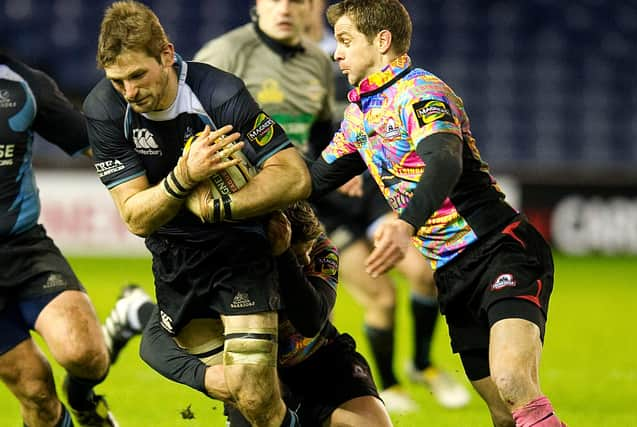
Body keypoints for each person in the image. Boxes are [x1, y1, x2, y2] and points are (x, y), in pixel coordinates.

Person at [192, 0, 469, 411]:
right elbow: (194, 126)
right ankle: (378, 385)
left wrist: (349, 162)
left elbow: (327, 131)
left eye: (299, 1)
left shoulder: (321, 64)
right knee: (369, 298)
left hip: (336, 190)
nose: (288, 8)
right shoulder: (223, 55)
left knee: (420, 274)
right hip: (293, 201)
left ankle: (417, 366)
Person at [306, 1, 566, 426]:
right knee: (503, 414)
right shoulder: (360, 115)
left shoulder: (420, 92)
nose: (337, 53)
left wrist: (404, 225)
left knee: (512, 381)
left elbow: (445, 160)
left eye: (346, 41)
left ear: (382, 41)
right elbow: (313, 181)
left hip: (500, 249)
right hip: (451, 273)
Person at [83, 2, 310, 426]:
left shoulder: (218, 93)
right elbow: (135, 217)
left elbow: (295, 176)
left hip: (241, 253)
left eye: (137, 76)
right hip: (174, 261)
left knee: (258, 397)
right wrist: (184, 177)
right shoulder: (105, 109)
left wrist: (223, 205)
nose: (130, 92)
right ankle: (138, 313)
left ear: (167, 55)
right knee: (238, 391)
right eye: (118, 81)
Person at [139, 201, 393, 426]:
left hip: (323, 362)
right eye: (297, 256)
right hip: (256, 376)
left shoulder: (321, 250)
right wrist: (202, 376)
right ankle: (135, 309)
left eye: (306, 252)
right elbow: (153, 340)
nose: (305, 263)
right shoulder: (224, 265)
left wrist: (284, 257)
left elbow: (311, 321)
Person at [0, 53, 117, 426]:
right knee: (35, 391)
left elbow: (95, 145)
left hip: (25, 249)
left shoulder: (22, 84)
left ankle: (82, 398)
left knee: (87, 354)